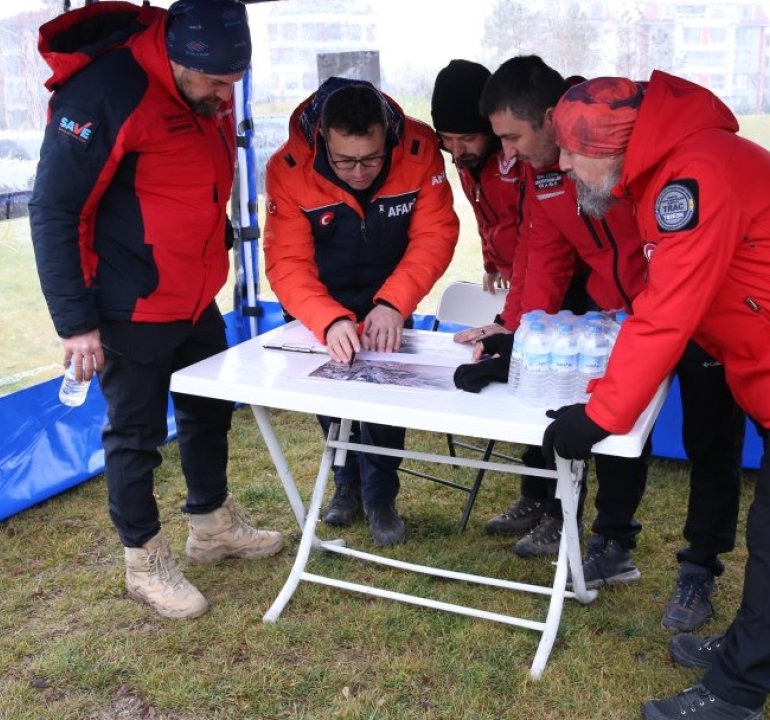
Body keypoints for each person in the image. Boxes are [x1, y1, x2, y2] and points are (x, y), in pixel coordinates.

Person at [545, 74, 770, 719]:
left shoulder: (692, 180)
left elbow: (668, 312)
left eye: (575, 150)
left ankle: (739, 691)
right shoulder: (686, 162)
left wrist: (601, 415)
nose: (564, 163)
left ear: (616, 145)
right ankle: (750, 644)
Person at [459, 57, 747, 620]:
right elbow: (541, 253)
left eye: (514, 137)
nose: (508, 154)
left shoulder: (617, 144)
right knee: (614, 430)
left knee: (711, 441)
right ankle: (613, 543)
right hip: (616, 318)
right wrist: (515, 332)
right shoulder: (543, 172)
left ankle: (700, 570)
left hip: (697, 315)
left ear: (550, 118)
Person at [28, 0, 283, 621]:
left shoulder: (207, 92)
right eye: (217, 83)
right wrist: (76, 323)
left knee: (207, 411)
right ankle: (143, 559)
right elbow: (54, 210)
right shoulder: (105, 94)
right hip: (128, 304)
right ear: (177, 58)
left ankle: (211, 524)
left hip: (195, 294)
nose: (228, 97)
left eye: (234, 83)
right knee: (136, 434)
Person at [263, 77, 460, 547]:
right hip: (323, 299)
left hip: (390, 293)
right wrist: (328, 320)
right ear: (321, 140)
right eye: (345, 160)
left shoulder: (418, 148)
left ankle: (381, 496)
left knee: (386, 403)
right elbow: (287, 262)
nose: (359, 172)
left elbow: (435, 234)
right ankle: (345, 486)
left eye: (371, 159)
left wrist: (393, 303)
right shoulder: (287, 167)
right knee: (330, 399)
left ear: (388, 136)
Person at [429, 59, 520, 296]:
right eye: (446, 139)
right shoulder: (468, 161)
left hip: (551, 277)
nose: (456, 150)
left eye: (468, 138)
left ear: (490, 128)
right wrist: (493, 262)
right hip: (517, 277)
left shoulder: (520, 157)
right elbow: (485, 217)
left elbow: (537, 232)